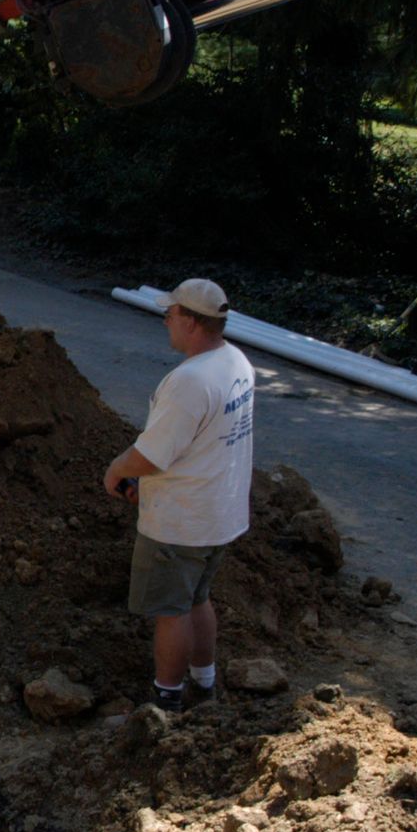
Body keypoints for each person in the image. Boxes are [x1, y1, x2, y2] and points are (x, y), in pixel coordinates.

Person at [102, 278, 255, 712]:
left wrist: (116, 470)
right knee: (197, 598)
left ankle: (166, 702)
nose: (165, 321)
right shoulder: (236, 361)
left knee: (172, 610)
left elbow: (149, 455)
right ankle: (204, 683)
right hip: (219, 513)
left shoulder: (189, 380)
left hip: (182, 521)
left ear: (190, 321)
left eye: (170, 315)